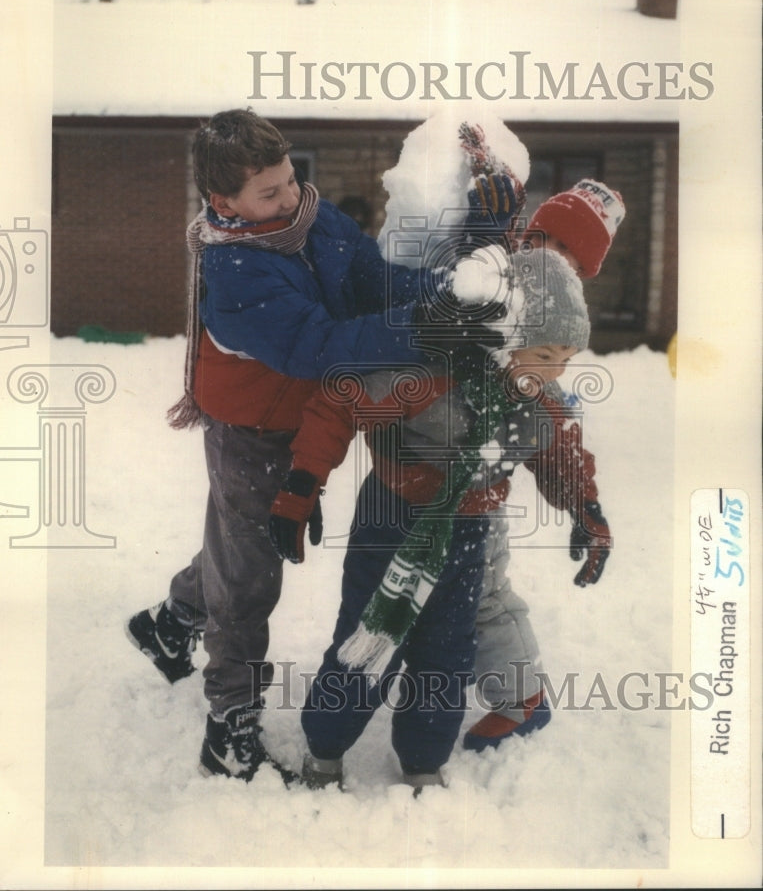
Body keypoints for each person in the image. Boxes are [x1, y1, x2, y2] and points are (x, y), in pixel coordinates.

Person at [123, 108, 506, 783]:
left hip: (308, 418)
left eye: (288, 180)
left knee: (242, 539)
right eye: (267, 193)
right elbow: (317, 346)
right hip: (251, 432)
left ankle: (173, 617)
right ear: (224, 202)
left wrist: (451, 299)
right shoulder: (235, 270)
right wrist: (425, 328)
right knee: (248, 576)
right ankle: (228, 724)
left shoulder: (313, 219)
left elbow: (372, 280)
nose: (287, 197)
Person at [268, 246, 596, 792]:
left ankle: (423, 759)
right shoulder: (428, 375)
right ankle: (325, 750)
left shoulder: (537, 400)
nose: (553, 373)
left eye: (566, 358)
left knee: (447, 648)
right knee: (369, 639)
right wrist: (303, 484)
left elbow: (561, 451)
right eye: (543, 355)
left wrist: (588, 509)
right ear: (506, 338)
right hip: (391, 518)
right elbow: (339, 403)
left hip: (467, 530)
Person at [460, 174, 625, 751]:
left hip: (478, 494)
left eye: (572, 263)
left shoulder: (549, 332)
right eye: (547, 244)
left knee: (483, 592)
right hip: (422, 481)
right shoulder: (487, 281)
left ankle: (522, 698)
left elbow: (554, 432)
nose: (554, 264)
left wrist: (587, 503)